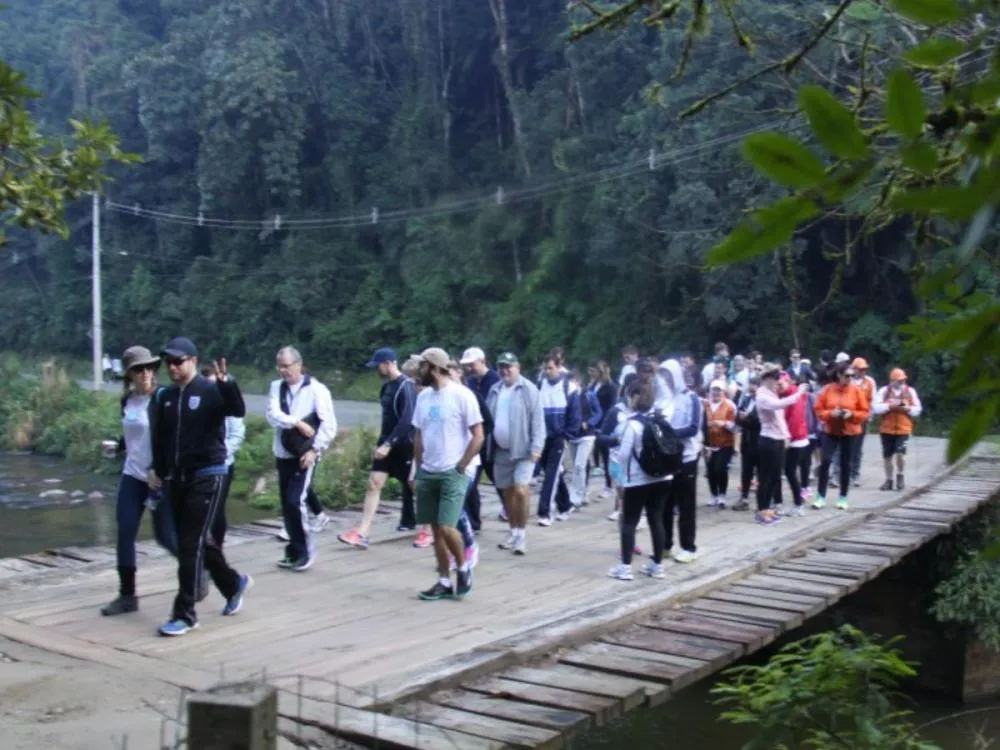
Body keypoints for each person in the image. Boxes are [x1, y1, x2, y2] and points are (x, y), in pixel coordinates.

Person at [150, 337, 251, 636]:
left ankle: (185, 614)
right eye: (168, 362)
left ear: (193, 360)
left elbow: (238, 410)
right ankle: (233, 583)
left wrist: (227, 383)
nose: (172, 367)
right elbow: (162, 438)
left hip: (209, 474)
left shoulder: (209, 391)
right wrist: (158, 470)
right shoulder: (165, 397)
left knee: (189, 544)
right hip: (179, 477)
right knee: (196, 540)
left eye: (178, 361)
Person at [100, 346, 178, 616]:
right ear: (129, 374)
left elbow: (171, 441)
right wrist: (118, 447)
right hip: (132, 476)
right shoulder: (127, 401)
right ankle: (127, 596)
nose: (146, 374)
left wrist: (158, 468)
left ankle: (198, 571)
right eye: (139, 369)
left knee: (166, 537)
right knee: (124, 533)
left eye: (149, 368)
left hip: (159, 480)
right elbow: (133, 437)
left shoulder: (165, 398)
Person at [411, 348, 483, 601]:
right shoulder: (424, 398)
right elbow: (419, 436)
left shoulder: (462, 395)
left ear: (433, 367)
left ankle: (463, 569)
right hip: (429, 469)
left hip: (455, 469)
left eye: (422, 366)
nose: (418, 371)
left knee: (446, 524)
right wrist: (417, 470)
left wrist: (462, 466)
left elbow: (478, 435)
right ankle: (443, 580)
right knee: (435, 529)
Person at [265, 346, 338, 571]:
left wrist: (314, 450)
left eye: (287, 366)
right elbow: (272, 414)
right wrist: (296, 422)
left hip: (305, 455)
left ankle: (305, 551)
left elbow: (329, 425)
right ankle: (293, 551)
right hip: (283, 453)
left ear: (299, 364)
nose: (283, 371)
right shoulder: (276, 388)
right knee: (287, 504)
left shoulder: (317, 390)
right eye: (280, 366)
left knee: (296, 501)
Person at [338, 348, 417, 550]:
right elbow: (387, 419)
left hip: (404, 446)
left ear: (389, 363)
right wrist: (382, 443)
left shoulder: (406, 386)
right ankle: (363, 532)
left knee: (415, 486)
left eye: (378, 366)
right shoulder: (386, 387)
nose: (376, 370)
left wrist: (390, 444)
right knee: (374, 484)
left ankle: (431, 526)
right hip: (385, 446)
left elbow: (407, 420)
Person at [608, 381, 671, 581]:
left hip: (637, 479)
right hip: (663, 477)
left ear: (635, 397)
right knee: (656, 519)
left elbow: (623, 455)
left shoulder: (633, 424)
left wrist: (617, 477)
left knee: (629, 521)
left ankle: (625, 567)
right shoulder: (661, 420)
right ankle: (657, 565)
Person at [660, 359, 703, 563]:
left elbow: (693, 427)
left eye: (669, 375)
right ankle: (666, 544)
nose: (666, 380)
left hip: (686, 457)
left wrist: (669, 433)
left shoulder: (691, 398)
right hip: (667, 457)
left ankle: (689, 546)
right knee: (665, 504)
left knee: (686, 504)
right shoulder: (663, 399)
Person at [754, 364, 809, 525]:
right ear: (766, 379)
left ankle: (768, 509)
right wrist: (799, 392)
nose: (777, 382)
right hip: (768, 439)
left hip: (778, 439)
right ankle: (762, 510)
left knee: (776, 476)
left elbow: (779, 419)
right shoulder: (762, 396)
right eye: (774, 378)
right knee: (765, 477)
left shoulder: (772, 394)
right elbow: (780, 405)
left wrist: (786, 436)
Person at [813, 362, 870, 510]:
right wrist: (830, 414)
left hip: (850, 431)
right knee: (825, 461)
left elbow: (864, 412)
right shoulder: (827, 389)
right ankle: (820, 496)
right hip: (831, 430)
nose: (850, 378)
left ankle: (843, 497)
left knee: (846, 464)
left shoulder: (856, 391)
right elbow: (818, 409)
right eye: (847, 375)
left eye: (852, 375)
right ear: (838, 375)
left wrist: (852, 414)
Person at [201, 366, 246, 547]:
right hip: (201, 465)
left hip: (223, 464)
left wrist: (219, 452)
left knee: (217, 509)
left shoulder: (229, 406)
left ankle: (216, 547)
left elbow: (237, 435)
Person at [460, 347, 502, 531]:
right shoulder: (469, 383)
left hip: (491, 439)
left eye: (472, 364)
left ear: (482, 361)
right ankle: (473, 522)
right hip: (474, 441)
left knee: (498, 480)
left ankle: (512, 510)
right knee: (470, 483)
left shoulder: (496, 381)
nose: (469, 368)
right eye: (467, 366)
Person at [537, 354, 581, 525]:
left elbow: (574, 416)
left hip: (559, 438)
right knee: (553, 473)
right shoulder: (540, 385)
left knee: (550, 474)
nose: (548, 372)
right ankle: (565, 504)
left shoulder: (568, 387)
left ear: (558, 367)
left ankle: (545, 512)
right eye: (545, 368)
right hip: (543, 437)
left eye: (551, 368)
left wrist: (566, 436)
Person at [873, 368, 922, 491]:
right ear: (892, 380)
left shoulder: (910, 391)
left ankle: (900, 475)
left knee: (900, 453)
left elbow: (918, 409)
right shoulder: (884, 391)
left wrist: (907, 408)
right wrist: (889, 405)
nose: (902, 382)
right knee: (887, 456)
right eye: (899, 380)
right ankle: (889, 480)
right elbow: (876, 407)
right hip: (887, 429)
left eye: (903, 380)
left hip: (904, 429)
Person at [566, 369, 603, 508]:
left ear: (579, 381)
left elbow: (599, 412)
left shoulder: (589, 394)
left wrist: (589, 423)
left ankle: (575, 496)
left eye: (573, 381)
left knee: (579, 465)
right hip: (573, 436)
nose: (570, 384)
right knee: (578, 466)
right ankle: (583, 493)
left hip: (587, 435)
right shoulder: (567, 396)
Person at [702, 380, 736, 508]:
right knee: (710, 470)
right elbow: (700, 422)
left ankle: (722, 495)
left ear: (723, 392)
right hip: (708, 443)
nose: (716, 393)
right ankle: (713, 495)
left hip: (725, 443)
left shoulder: (729, 405)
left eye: (718, 390)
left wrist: (724, 424)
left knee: (720, 468)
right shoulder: (705, 404)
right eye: (714, 390)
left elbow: (735, 426)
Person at [587, 360, 619, 498]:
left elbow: (612, 407)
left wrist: (606, 424)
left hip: (604, 423)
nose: (591, 373)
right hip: (593, 422)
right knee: (594, 453)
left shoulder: (611, 387)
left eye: (593, 371)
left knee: (606, 455)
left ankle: (609, 485)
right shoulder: (593, 385)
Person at [733, 375, 761, 511]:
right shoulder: (746, 399)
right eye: (750, 385)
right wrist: (743, 418)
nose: (751, 388)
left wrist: (747, 417)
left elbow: (759, 420)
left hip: (759, 440)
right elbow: (738, 417)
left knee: (761, 472)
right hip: (747, 440)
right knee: (746, 471)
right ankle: (744, 498)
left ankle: (763, 501)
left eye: (754, 385)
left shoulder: (763, 401)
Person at [850, 357, 878, 487]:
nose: (863, 371)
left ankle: (855, 473)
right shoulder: (848, 380)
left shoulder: (869, 382)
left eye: (864, 369)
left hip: (862, 418)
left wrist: (871, 415)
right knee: (846, 446)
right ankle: (844, 472)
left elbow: (873, 400)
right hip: (848, 417)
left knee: (858, 446)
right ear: (854, 369)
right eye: (860, 369)